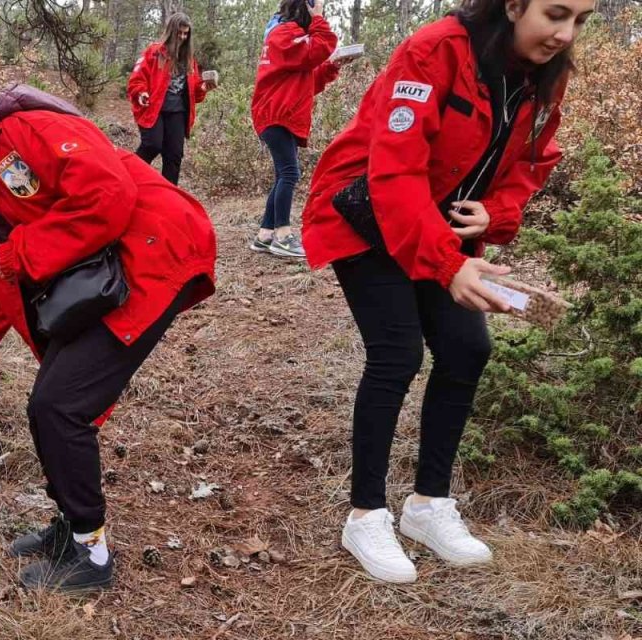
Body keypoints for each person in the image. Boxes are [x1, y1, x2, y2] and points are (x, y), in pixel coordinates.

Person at [0, 71, 217, 592]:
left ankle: (91, 555)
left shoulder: (17, 135)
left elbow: (108, 195)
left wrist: (22, 253)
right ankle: (72, 530)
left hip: (156, 249)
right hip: (118, 269)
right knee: (50, 405)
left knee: (59, 406)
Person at [300, 0, 594, 583]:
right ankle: (366, 515)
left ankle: (428, 506)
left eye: (580, 20)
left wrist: (497, 211)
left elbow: (535, 161)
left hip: (436, 224)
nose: (565, 34)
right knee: (397, 354)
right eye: (555, 14)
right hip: (366, 211)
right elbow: (394, 171)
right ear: (513, 6)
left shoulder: (544, 77)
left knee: (466, 350)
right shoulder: (435, 51)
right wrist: (446, 265)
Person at [250, 0, 348, 259]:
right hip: (276, 115)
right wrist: (319, 19)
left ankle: (265, 235)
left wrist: (332, 66)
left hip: (282, 114)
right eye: (317, 8)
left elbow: (308, 80)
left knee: (284, 174)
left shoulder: (292, 38)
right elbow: (322, 44)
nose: (320, 12)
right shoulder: (283, 34)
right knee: (290, 173)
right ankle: (283, 235)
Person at [127, 13, 217, 185]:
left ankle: (168, 196)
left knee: (174, 155)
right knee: (152, 145)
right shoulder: (154, 52)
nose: (183, 37)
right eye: (179, 33)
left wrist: (204, 88)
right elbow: (136, 79)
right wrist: (141, 93)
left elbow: (195, 92)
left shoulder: (189, 60)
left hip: (178, 112)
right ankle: (128, 176)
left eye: (186, 34)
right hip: (154, 109)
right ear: (171, 32)